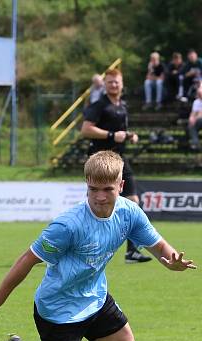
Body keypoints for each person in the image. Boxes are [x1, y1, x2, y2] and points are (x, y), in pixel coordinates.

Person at [0, 150, 195, 341]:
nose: (100, 197)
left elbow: (161, 248)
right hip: (58, 312)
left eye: (107, 189)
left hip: (95, 299)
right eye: (93, 189)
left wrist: (172, 263)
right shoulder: (68, 226)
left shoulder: (129, 214)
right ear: (86, 185)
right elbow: (27, 260)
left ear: (121, 186)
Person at [81, 68, 149, 264]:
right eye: (110, 82)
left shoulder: (122, 105)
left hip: (119, 158)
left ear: (122, 83)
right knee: (95, 205)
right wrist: (111, 135)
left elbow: (120, 131)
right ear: (105, 84)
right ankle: (84, 245)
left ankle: (132, 251)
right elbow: (86, 130)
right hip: (100, 160)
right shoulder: (99, 105)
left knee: (133, 201)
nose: (114, 85)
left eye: (116, 82)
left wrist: (129, 135)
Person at [187, 86, 202, 151]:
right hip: (199, 120)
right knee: (191, 125)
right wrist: (192, 118)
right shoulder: (196, 102)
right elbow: (193, 113)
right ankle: (196, 143)